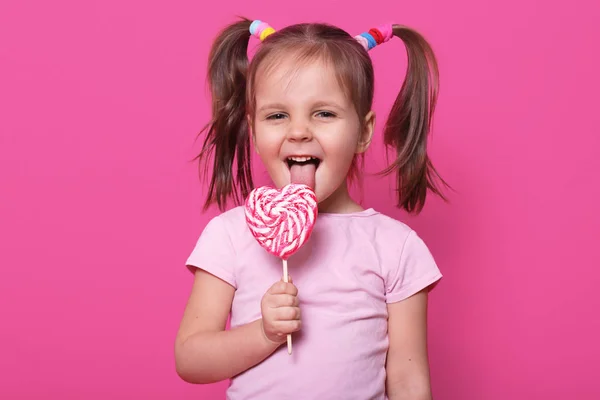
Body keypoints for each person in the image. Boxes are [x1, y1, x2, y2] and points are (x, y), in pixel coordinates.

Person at [175, 17, 449, 400]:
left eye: (324, 113)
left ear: (363, 132)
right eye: (277, 115)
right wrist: (264, 333)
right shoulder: (230, 235)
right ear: (254, 132)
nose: (299, 131)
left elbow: (408, 379)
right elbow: (190, 359)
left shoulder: (395, 245)